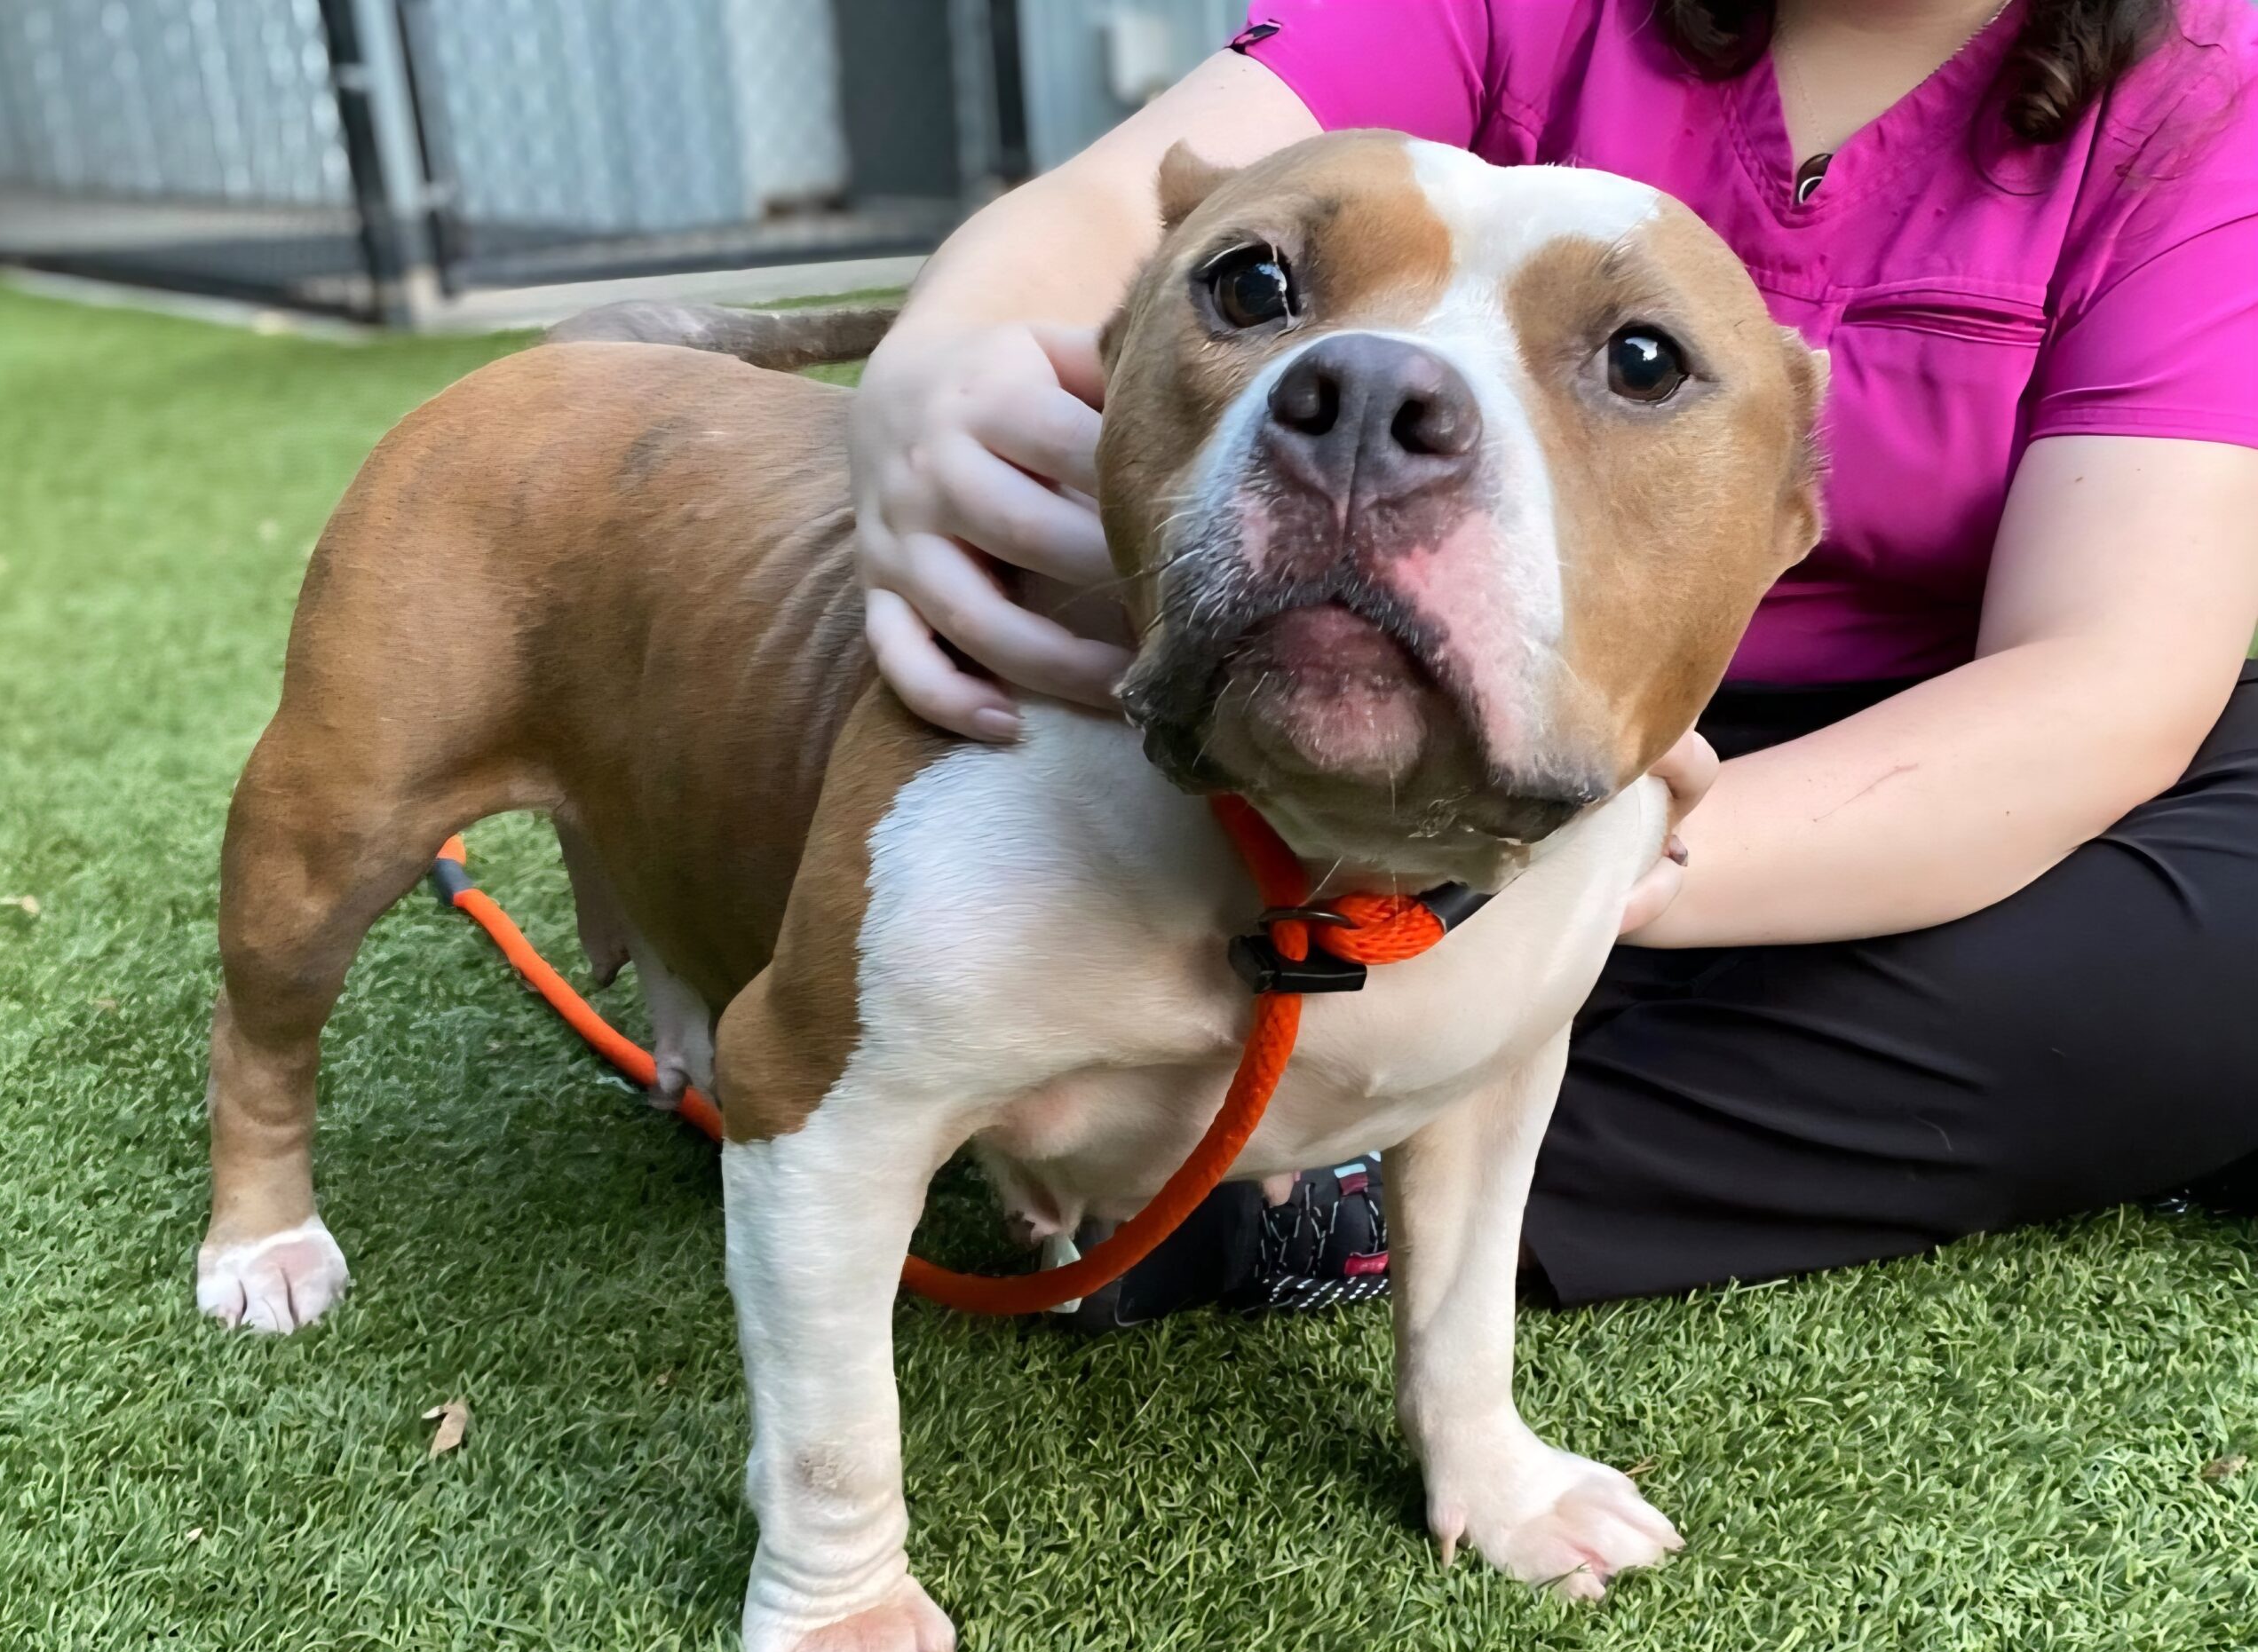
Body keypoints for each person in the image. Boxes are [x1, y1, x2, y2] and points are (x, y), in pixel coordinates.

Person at [845, 0, 2258, 1321]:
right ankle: (1332, 1071)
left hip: (1873, 757)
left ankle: (1301, 1190)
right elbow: (1123, 206)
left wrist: (1589, 861)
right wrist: (935, 370)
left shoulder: (2208, 89)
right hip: (1362, 699)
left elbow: (2107, 673)